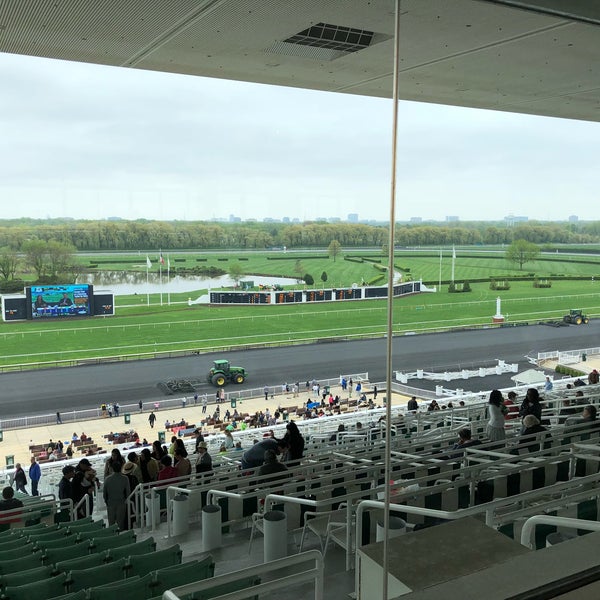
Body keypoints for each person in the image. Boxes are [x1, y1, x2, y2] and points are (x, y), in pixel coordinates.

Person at [103, 460, 130, 530]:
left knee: (111, 523)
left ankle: (112, 537)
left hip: (111, 502)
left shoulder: (107, 479)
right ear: (121, 468)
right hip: (121, 502)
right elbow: (128, 492)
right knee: (120, 523)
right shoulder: (125, 478)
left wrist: (106, 501)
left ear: (112, 468)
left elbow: (104, 494)